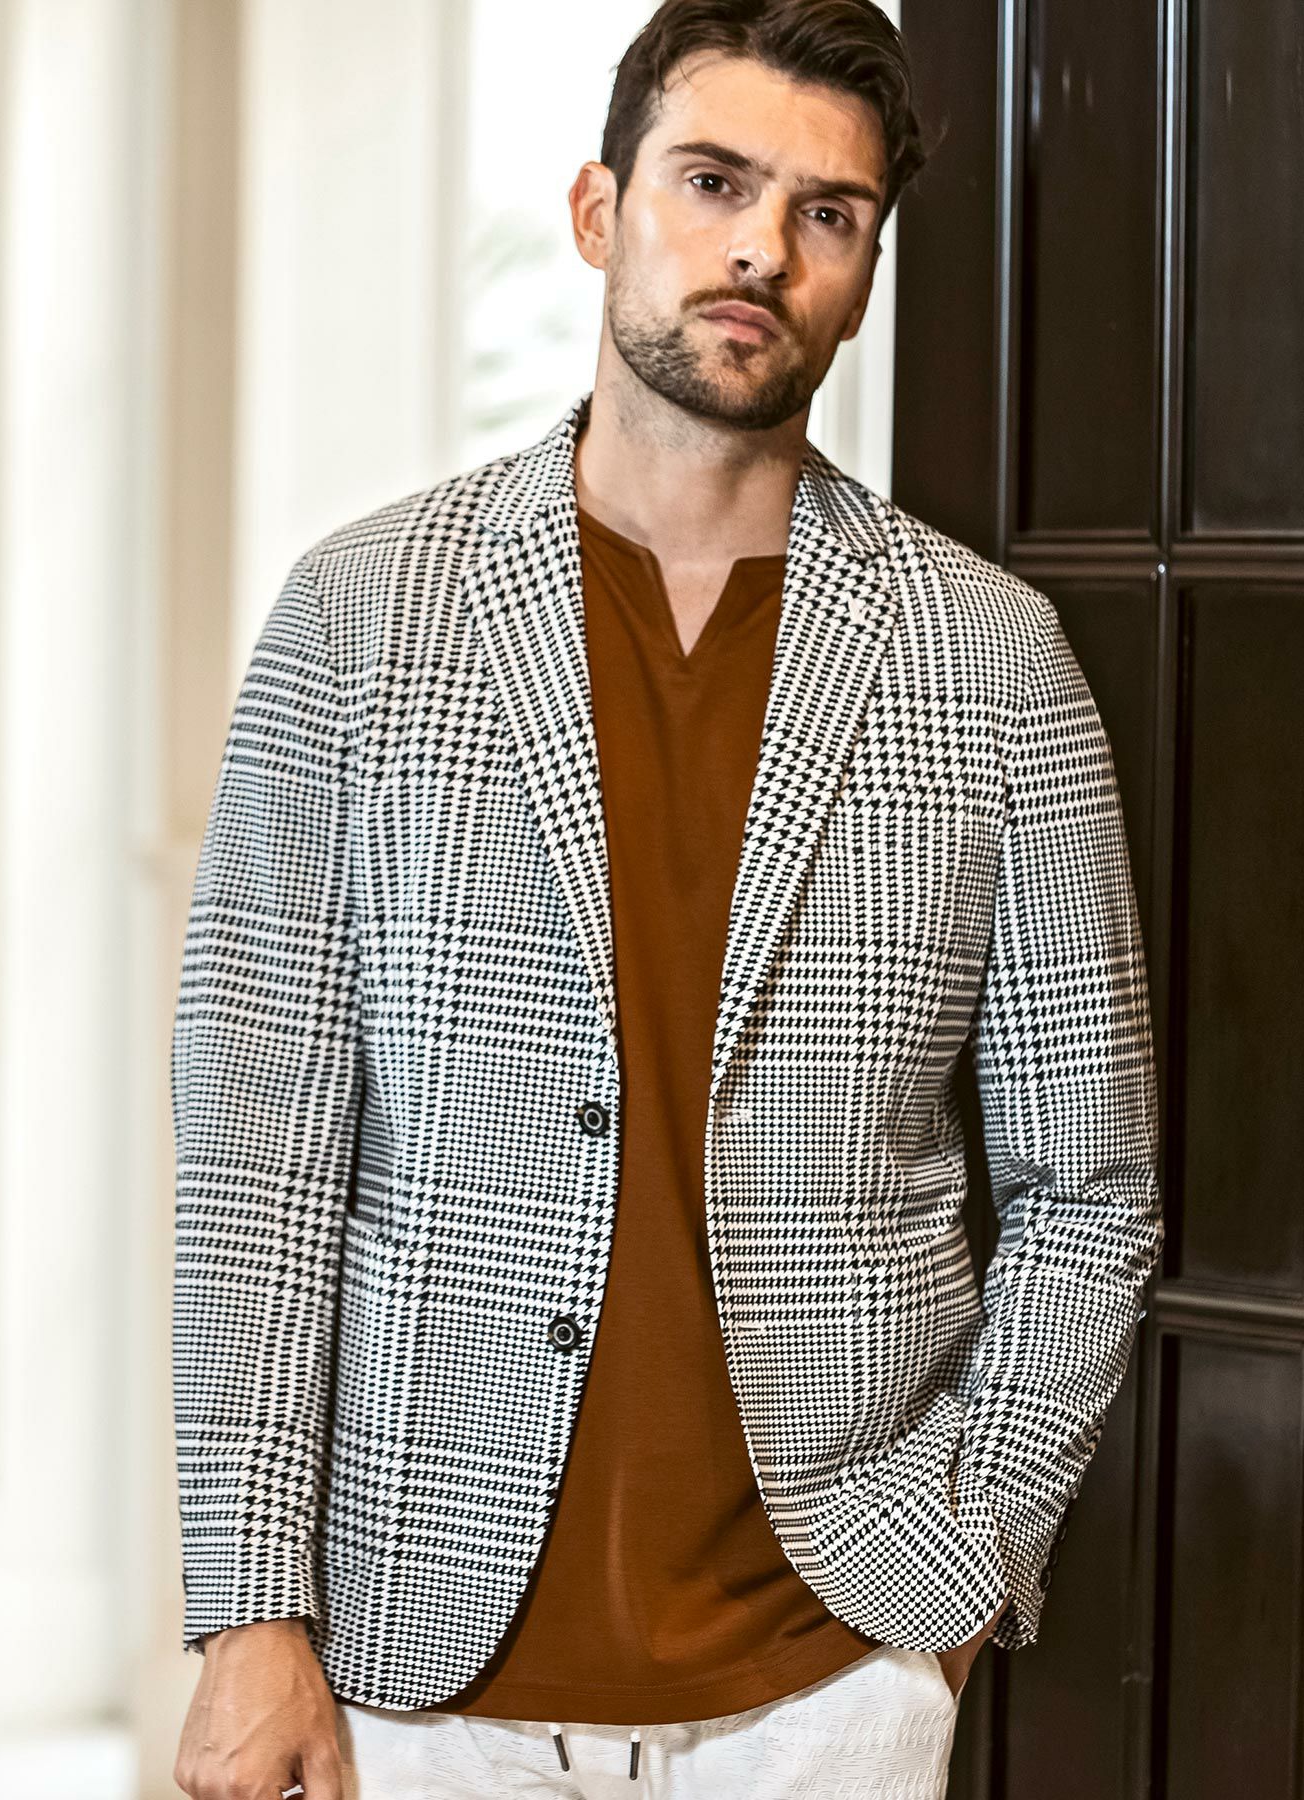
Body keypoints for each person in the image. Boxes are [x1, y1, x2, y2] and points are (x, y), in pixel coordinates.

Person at [170, 2, 1163, 1796]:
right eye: (712, 182)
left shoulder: (995, 665)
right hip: (417, 1664)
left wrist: (957, 1574)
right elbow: (260, 1158)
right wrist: (251, 1612)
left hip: (827, 1682)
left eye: (827, 213)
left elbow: (1089, 1186)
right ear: (597, 210)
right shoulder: (360, 618)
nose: (762, 248)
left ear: (863, 279)